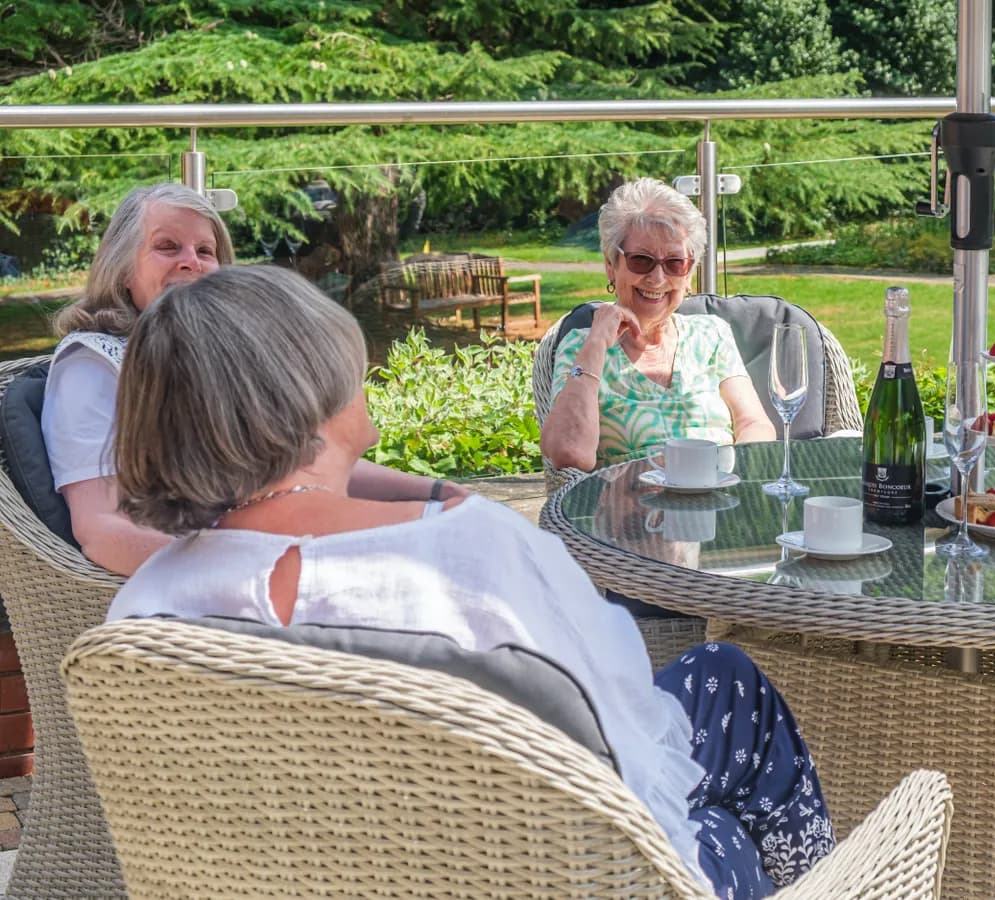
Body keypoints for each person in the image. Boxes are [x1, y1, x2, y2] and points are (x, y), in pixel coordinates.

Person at [105, 265, 836, 897]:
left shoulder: (145, 611)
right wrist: (450, 503)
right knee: (730, 689)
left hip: (336, 868)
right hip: (578, 872)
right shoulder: (469, 559)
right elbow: (618, 719)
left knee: (719, 674)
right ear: (315, 402)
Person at [41, 183, 464, 575]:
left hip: (277, 548)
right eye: (167, 246)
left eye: (206, 251)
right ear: (122, 269)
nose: (190, 260)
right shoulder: (92, 365)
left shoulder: (219, 358)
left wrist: (440, 492)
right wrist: (249, 574)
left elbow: (312, 461)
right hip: (209, 592)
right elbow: (100, 531)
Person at [541, 178, 775, 471]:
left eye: (675, 263)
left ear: (689, 273)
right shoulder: (581, 345)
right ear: (611, 266)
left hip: (716, 498)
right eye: (641, 260)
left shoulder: (711, 334)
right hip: (627, 509)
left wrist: (735, 475)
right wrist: (596, 345)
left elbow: (754, 423)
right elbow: (569, 455)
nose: (658, 279)